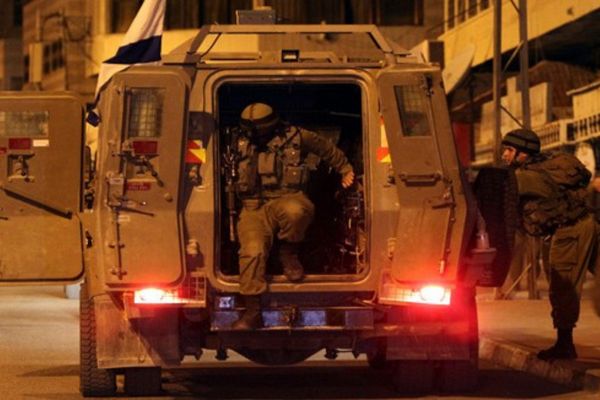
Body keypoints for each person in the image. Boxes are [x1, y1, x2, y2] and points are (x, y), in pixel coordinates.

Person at [231, 102, 355, 330]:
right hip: (252, 207)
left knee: (297, 211)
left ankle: (288, 252)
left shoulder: (297, 136)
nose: (257, 135)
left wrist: (345, 169)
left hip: (287, 197)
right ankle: (253, 311)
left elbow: (326, 149)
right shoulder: (235, 140)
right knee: (252, 252)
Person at [501, 128, 598, 360]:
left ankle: (565, 345)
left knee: (563, 286)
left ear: (523, 154)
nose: (504, 155)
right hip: (587, 223)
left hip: (569, 231)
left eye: (510, 150)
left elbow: (508, 199)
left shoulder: (526, 177)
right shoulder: (547, 165)